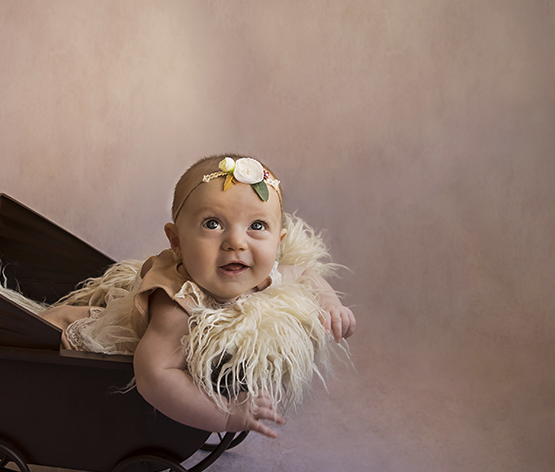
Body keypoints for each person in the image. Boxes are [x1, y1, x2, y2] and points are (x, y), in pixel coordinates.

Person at [39, 154, 355, 438]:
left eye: (257, 225)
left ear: (278, 241)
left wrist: (329, 302)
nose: (236, 242)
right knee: (38, 326)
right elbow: (154, 375)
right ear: (176, 241)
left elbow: (303, 274)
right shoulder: (178, 302)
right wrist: (229, 416)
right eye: (213, 224)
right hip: (67, 341)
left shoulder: (262, 269)